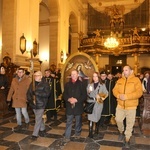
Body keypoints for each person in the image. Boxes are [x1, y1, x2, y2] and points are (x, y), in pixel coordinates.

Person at [113, 65, 143, 148]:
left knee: (130, 124)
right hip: (120, 105)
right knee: (118, 120)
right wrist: (118, 95)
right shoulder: (120, 80)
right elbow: (114, 90)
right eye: (123, 70)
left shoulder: (136, 80)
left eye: (126, 70)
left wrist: (127, 96)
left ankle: (127, 139)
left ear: (131, 71)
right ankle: (121, 131)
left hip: (131, 106)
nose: (124, 72)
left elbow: (139, 93)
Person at [63, 70, 87, 142]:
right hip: (69, 105)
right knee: (69, 121)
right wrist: (69, 99)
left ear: (77, 75)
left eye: (74, 74)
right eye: (72, 74)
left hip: (78, 105)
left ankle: (77, 134)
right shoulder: (67, 84)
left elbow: (84, 95)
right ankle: (67, 136)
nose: (73, 75)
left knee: (78, 121)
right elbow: (64, 94)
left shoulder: (82, 84)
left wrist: (76, 100)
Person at [27, 71, 50, 140]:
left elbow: (47, 94)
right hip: (33, 104)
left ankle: (35, 134)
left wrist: (37, 93)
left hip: (41, 104)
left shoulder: (45, 84)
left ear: (41, 76)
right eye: (35, 75)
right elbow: (28, 93)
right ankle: (42, 129)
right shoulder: (32, 83)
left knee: (37, 119)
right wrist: (30, 100)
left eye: (37, 75)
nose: (36, 77)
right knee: (39, 118)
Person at [86, 72, 108, 138]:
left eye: (96, 76)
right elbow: (87, 93)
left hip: (98, 103)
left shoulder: (102, 85)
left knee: (97, 117)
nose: (94, 78)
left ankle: (96, 130)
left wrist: (100, 97)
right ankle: (90, 132)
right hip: (91, 103)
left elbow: (106, 93)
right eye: (93, 76)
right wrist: (88, 92)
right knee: (90, 118)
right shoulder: (90, 84)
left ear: (98, 77)